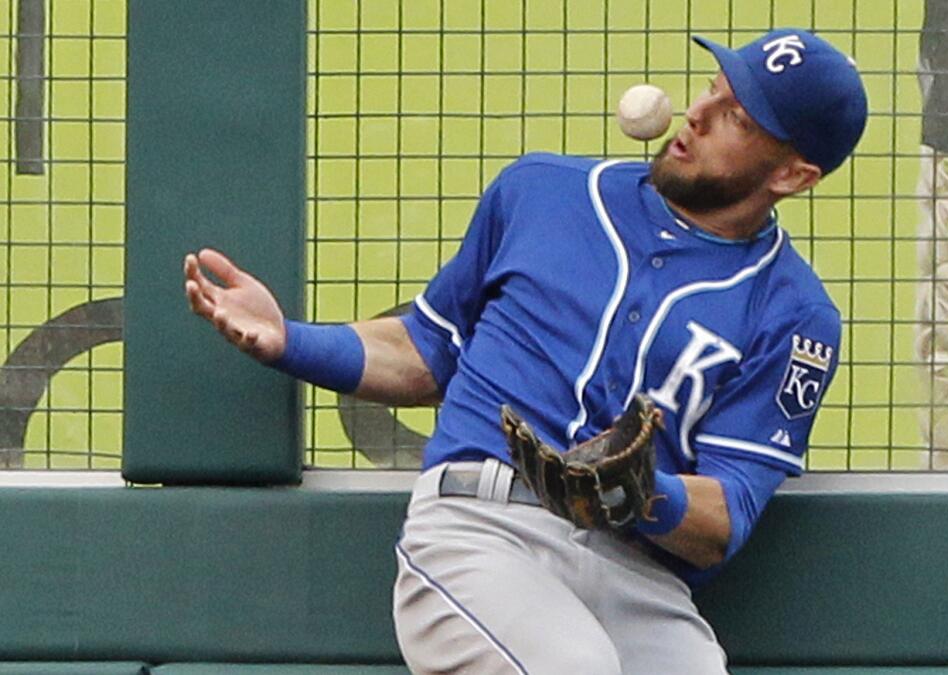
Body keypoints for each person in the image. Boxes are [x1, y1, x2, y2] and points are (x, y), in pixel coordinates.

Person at [184, 28, 866, 675]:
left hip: (634, 573)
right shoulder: (543, 192)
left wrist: (639, 491)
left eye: (738, 118)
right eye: (714, 87)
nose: (697, 113)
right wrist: (287, 340)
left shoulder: (796, 316)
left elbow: (728, 511)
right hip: (481, 527)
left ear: (793, 176)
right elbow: (427, 351)